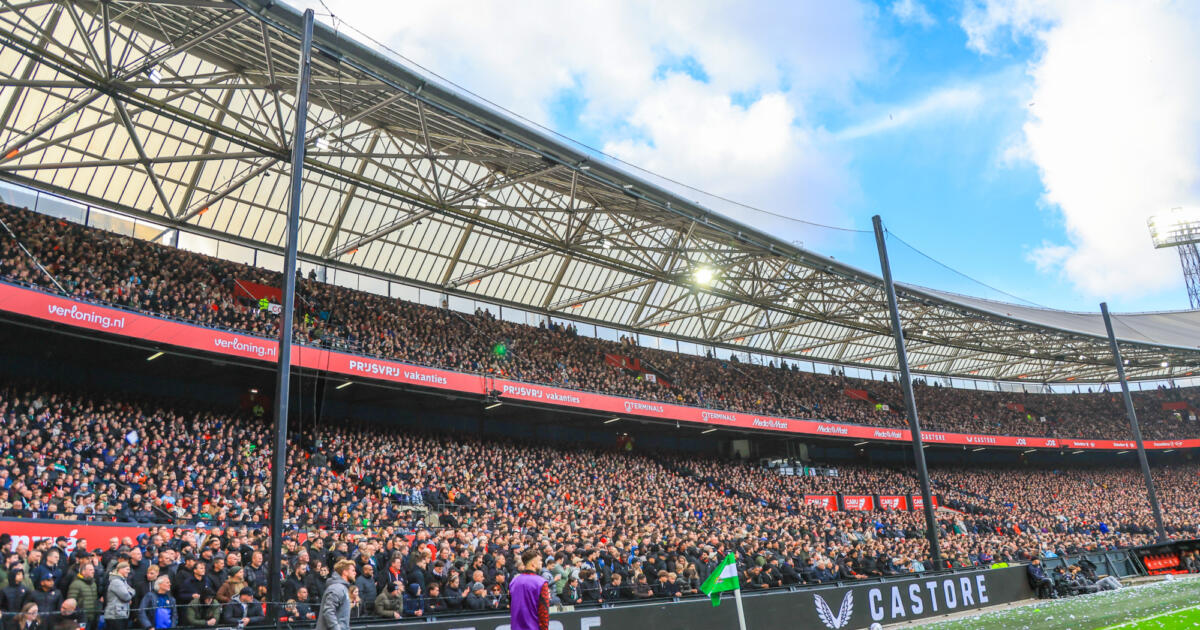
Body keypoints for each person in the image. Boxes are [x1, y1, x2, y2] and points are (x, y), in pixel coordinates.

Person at [509, 549, 549, 630]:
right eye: (540, 560)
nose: (541, 562)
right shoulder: (541, 583)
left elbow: (511, 607)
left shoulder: (513, 582)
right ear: (533, 563)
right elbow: (543, 612)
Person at [314, 560, 353, 630]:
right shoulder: (337, 588)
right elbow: (328, 611)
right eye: (353, 570)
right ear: (345, 572)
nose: (355, 573)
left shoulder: (343, 588)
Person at [103, 562, 135, 630]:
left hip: (120, 614)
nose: (129, 571)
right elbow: (126, 597)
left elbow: (133, 591)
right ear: (120, 569)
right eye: (127, 569)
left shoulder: (122, 581)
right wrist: (129, 594)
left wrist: (129, 592)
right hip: (115, 615)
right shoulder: (116, 582)